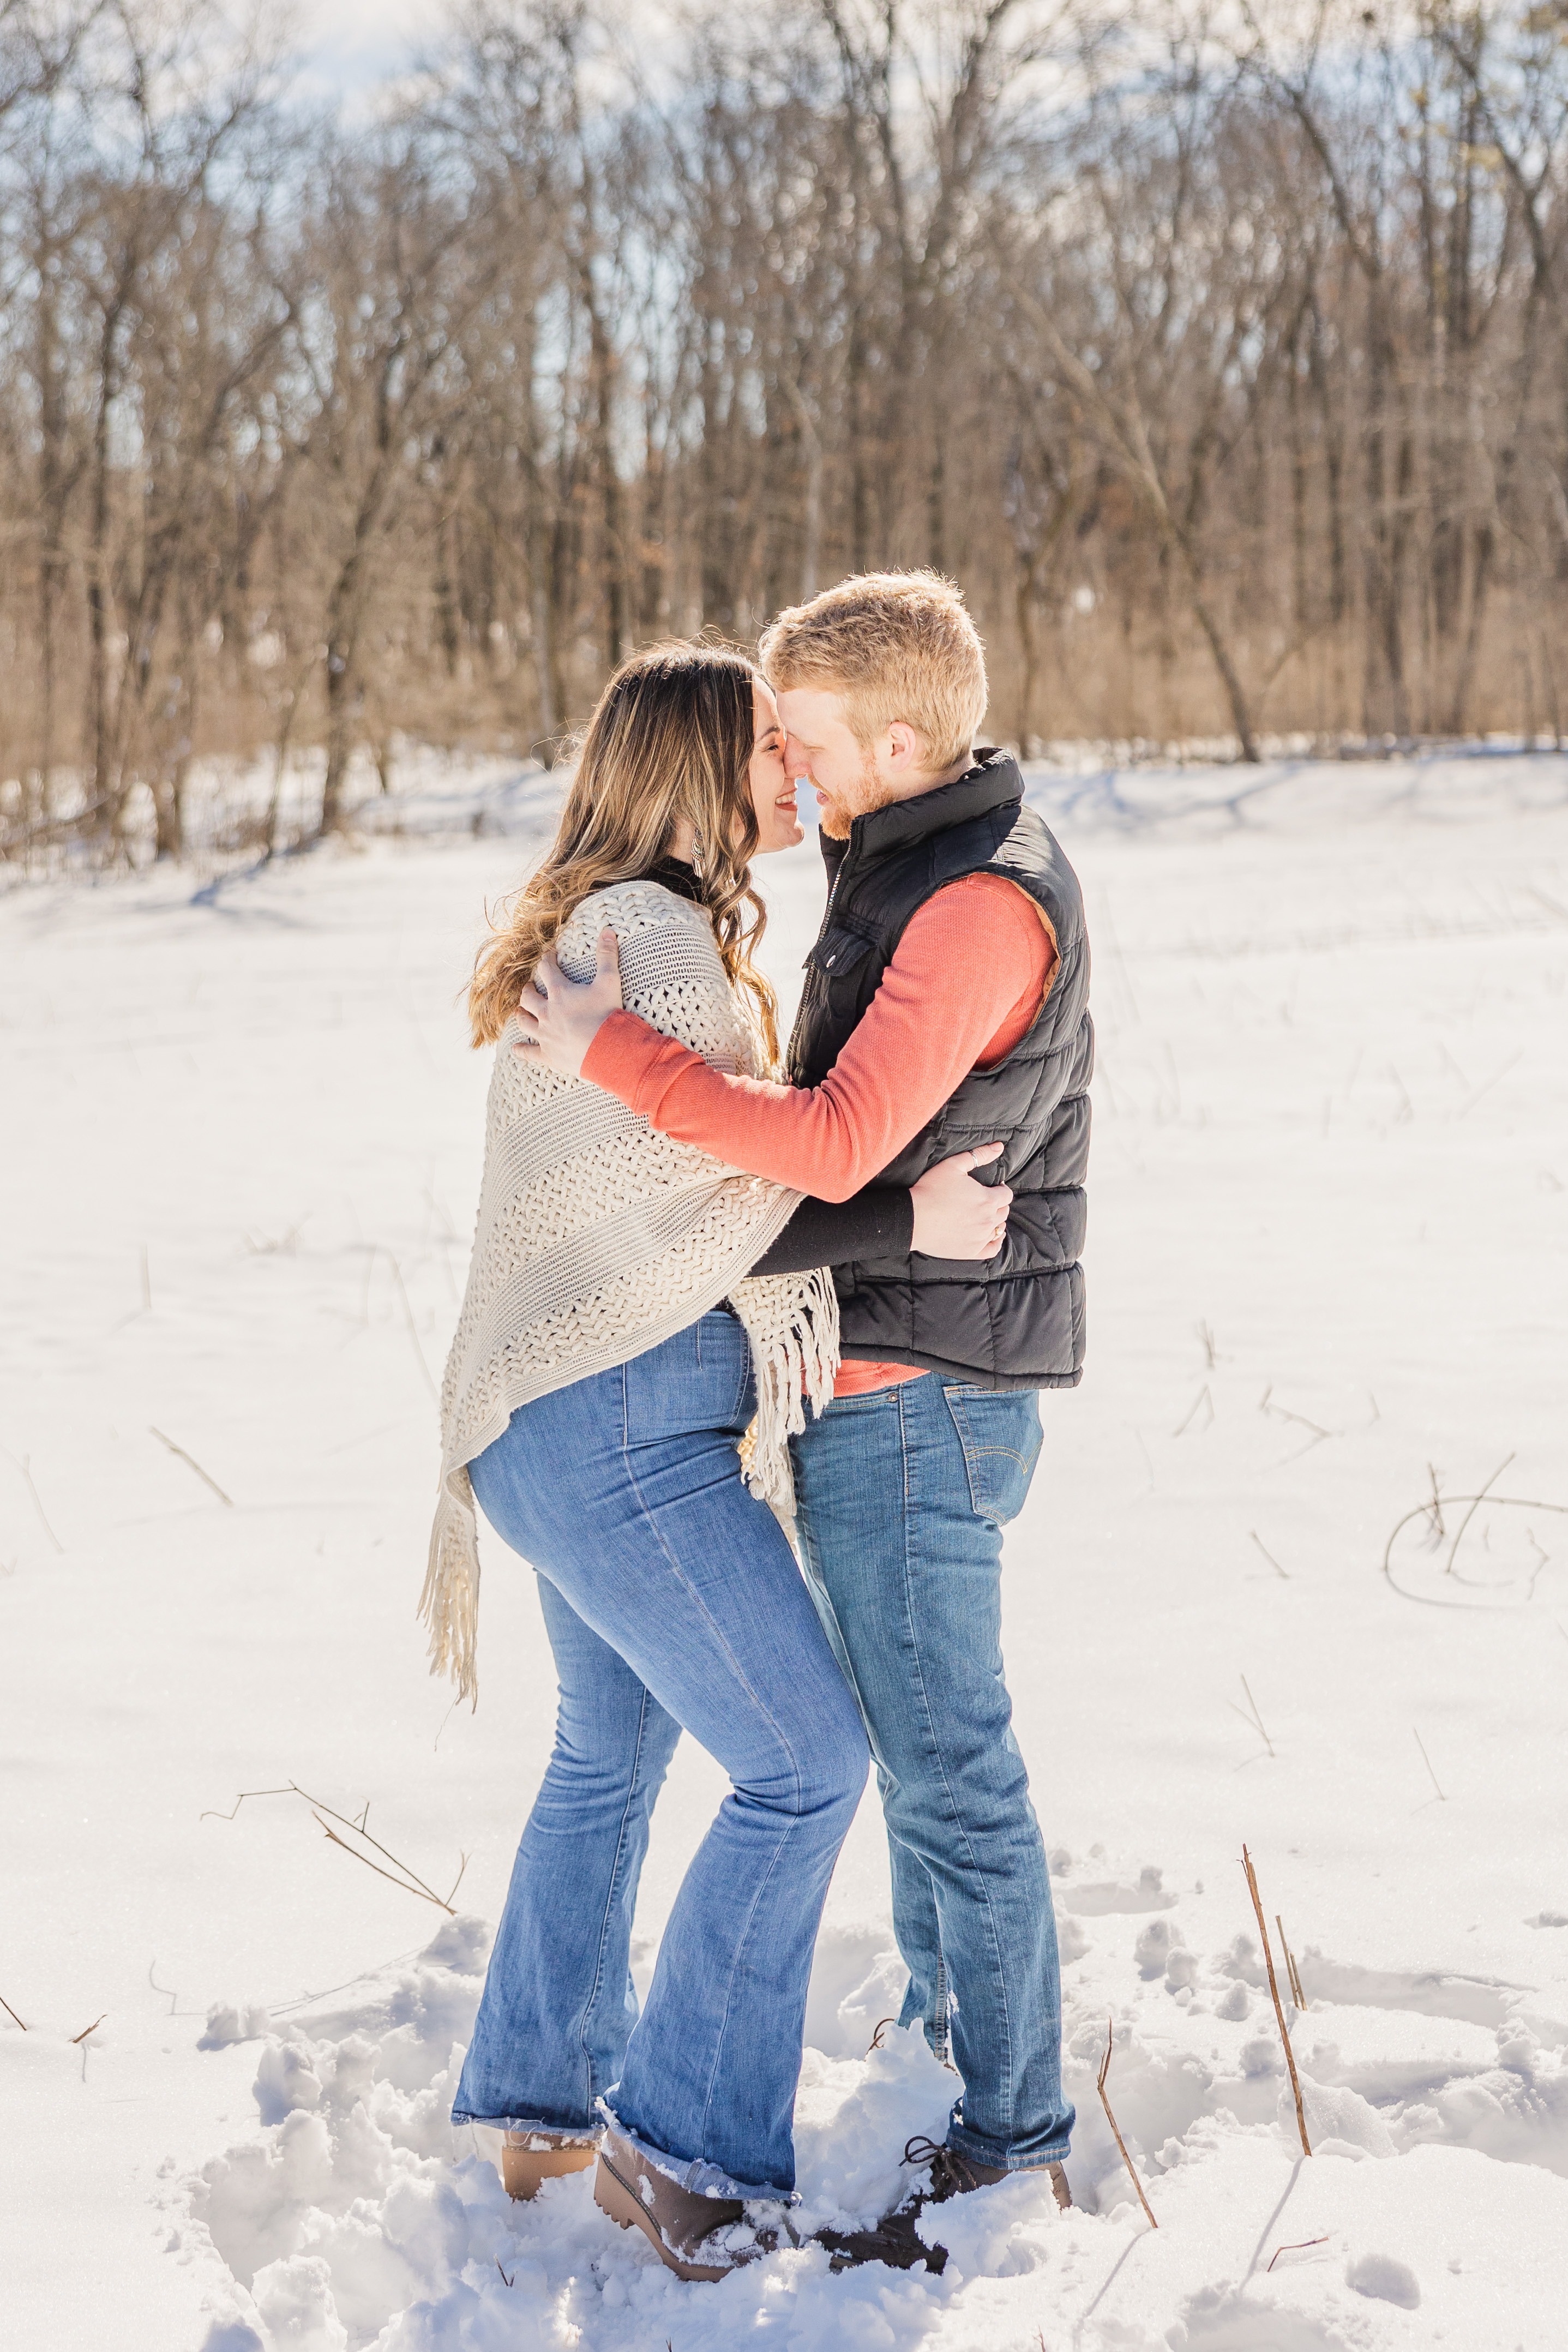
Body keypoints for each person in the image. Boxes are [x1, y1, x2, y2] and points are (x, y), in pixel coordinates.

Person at [518, 572, 1093, 2253]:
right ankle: (944, 2070)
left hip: (921, 1397)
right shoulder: (895, 867)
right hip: (867, 1385)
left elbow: (833, 1145)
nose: (794, 768)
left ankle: (1005, 2130)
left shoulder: (976, 902)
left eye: (816, 740)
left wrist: (612, 1054)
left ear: (902, 742)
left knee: (934, 1771)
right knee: (900, 1769)